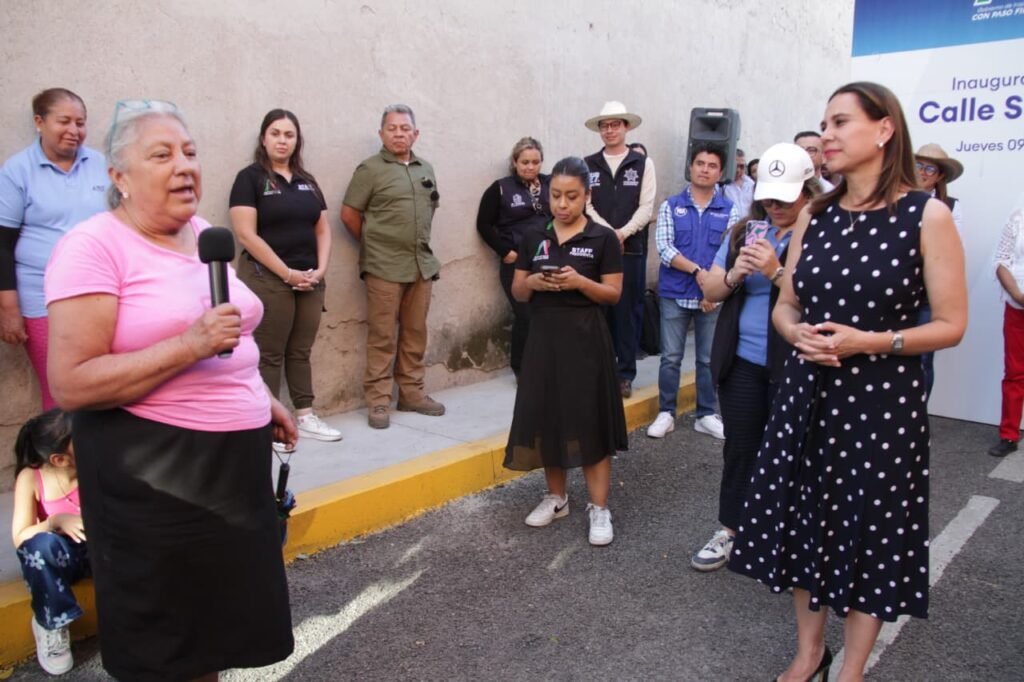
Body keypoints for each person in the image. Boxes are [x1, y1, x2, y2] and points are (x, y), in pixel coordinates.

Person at [45, 100, 296, 681]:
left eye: (189, 152)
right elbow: (72, 381)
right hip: (156, 474)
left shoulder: (205, 236)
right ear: (120, 177)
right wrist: (188, 345)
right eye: (161, 155)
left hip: (234, 471)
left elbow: (228, 333)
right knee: (170, 646)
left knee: (214, 635)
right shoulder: (93, 247)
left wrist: (261, 396)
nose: (184, 166)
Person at [730, 82, 967, 682]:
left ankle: (853, 668)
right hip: (808, 393)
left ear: (884, 129)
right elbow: (788, 304)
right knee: (803, 518)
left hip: (882, 402)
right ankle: (810, 653)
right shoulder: (816, 214)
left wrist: (872, 341)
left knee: (872, 530)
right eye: (824, 124)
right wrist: (794, 333)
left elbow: (951, 324)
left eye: (840, 122)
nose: (826, 136)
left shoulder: (927, 215)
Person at [692, 143, 819, 572]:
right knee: (741, 450)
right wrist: (735, 274)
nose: (774, 207)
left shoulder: (822, 233)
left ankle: (788, 536)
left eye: (784, 199)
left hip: (797, 364)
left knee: (795, 453)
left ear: (806, 192)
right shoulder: (744, 231)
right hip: (742, 361)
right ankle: (731, 530)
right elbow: (711, 289)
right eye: (768, 198)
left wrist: (775, 272)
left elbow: (824, 300)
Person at [504, 156, 627, 546]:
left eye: (571, 196)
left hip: (587, 340)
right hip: (543, 340)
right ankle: (556, 498)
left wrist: (579, 283)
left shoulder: (603, 238)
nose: (562, 203)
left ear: (587, 195)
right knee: (548, 418)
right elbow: (518, 291)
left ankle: (599, 507)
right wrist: (533, 284)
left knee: (591, 421)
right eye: (555, 195)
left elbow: (613, 294)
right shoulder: (533, 236)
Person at [230, 109, 341, 445]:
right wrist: (287, 273)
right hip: (268, 278)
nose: (282, 140)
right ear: (263, 139)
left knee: (300, 351)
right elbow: (246, 234)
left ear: (297, 141)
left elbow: (323, 229)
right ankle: (266, 422)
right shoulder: (249, 179)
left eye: (289, 135)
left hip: (309, 279)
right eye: (275, 133)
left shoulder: (307, 180)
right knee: (269, 352)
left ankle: (305, 415)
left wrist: (320, 270)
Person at [0, 88, 108, 410]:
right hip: (41, 298)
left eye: (80, 123)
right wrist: (8, 310)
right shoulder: (17, 171)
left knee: (103, 385)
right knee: (60, 391)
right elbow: (2, 245)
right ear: (39, 122)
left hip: (98, 295)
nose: (74, 130)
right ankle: (61, 444)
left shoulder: (101, 164)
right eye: (64, 121)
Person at [341, 104, 445, 429]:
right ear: (381, 134)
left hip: (420, 265)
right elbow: (349, 214)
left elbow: (430, 209)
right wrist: (374, 245)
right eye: (392, 128)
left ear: (416, 133)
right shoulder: (370, 169)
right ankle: (378, 400)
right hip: (383, 267)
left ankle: (411, 394)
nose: (399, 133)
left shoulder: (426, 168)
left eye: (405, 128)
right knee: (382, 336)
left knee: (415, 333)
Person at [646, 142, 738, 441]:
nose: (705, 170)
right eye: (700, 163)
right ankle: (666, 412)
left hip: (713, 298)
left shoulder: (730, 211)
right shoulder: (671, 206)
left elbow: (731, 253)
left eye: (712, 166)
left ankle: (706, 414)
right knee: (671, 357)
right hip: (675, 293)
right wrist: (699, 273)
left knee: (708, 359)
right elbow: (665, 248)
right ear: (690, 167)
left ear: (720, 173)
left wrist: (714, 292)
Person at [583, 101, 657, 398]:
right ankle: (598, 370)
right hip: (597, 249)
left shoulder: (643, 163)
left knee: (627, 312)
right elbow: (586, 204)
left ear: (626, 127)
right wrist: (608, 234)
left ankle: (624, 373)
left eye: (615, 124)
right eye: (604, 125)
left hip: (631, 250)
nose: (609, 130)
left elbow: (647, 206)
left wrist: (623, 233)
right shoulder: (588, 164)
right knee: (597, 311)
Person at [11, 409, 87, 676]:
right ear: (60, 459)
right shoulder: (31, 478)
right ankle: (51, 622)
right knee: (38, 547)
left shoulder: (96, 468)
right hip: (60, 558)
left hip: (98, 551)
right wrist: (55, 521)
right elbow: (20, 536)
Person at [475, 137, 551, 377]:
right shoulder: (500, 188)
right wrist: (506, 252)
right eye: (525, 162)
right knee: (526, 314)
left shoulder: (551, 184)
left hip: (547, 260)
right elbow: (483, 224)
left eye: (535, 162)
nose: (530, 167)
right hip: (517, 263)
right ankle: (521, 368)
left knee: (547, 314)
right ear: (515, 162)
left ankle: (546, 365)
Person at [914, 143, 966, 400]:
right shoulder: (893, 201)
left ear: (940, 176)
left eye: (930, 168)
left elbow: (951, 252)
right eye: (918, 165)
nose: (922, 172)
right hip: (896, 290)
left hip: (926, 294)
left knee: (923, 357)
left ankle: (918, 413)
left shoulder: (951, 207)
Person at [990, 208, 1024, 457]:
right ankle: (1009, 435)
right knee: (1015, 372)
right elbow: (1001, 261)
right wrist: (1017, 295)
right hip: (1018, 307)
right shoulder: (1018, 218)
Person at [722, 147, 755, 217]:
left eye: (742, 166)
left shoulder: (751, 184)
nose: (738, 170)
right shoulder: (721, 185)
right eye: (735, 166)